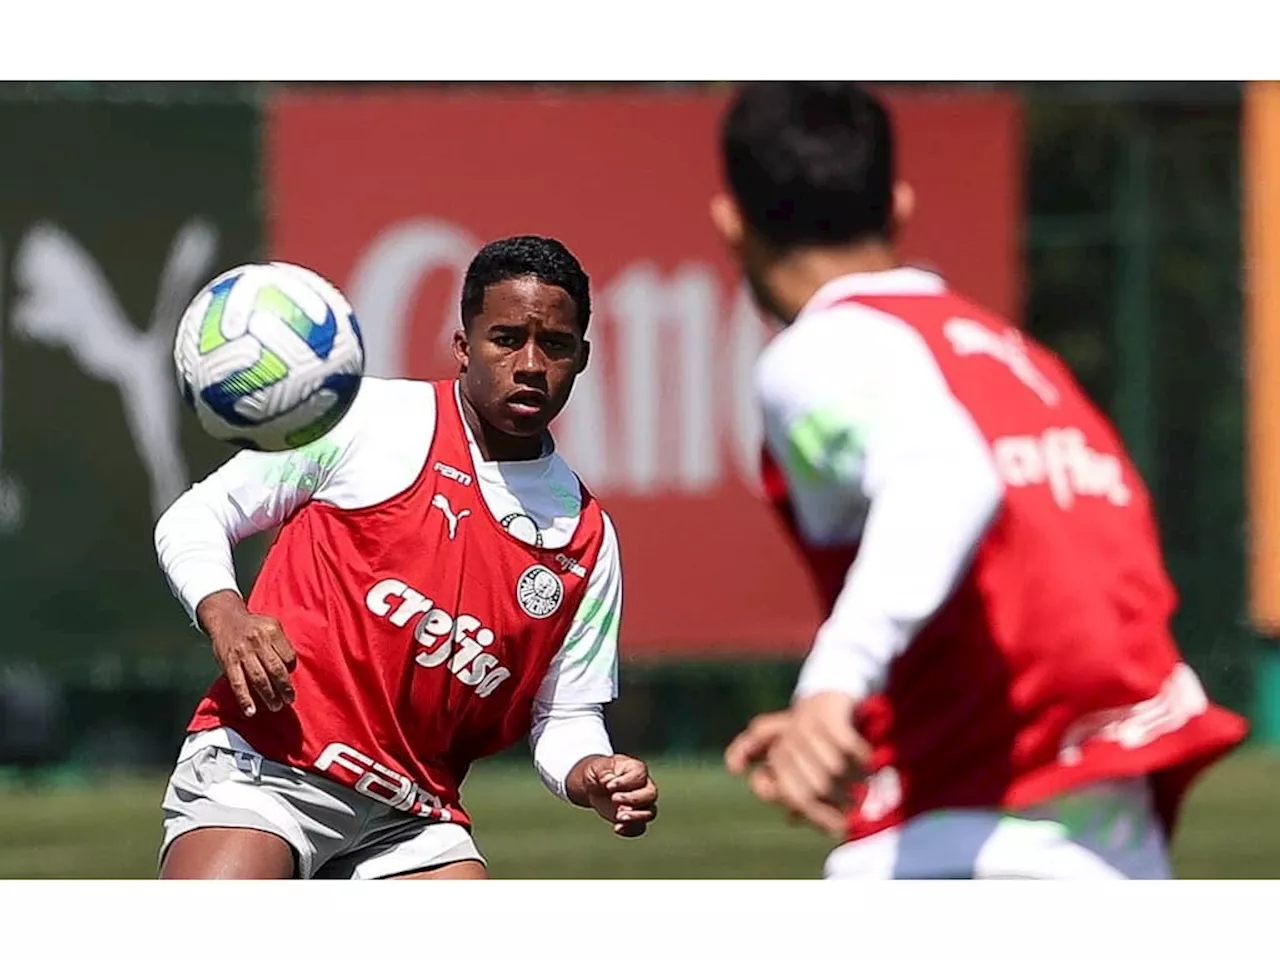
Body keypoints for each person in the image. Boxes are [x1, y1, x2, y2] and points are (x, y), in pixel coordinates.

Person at [715, 82, 1247, 879]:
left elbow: (947, 478)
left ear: (732, 225)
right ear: (899, 207)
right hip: (1114, 842)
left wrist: (832, 681)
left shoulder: (822, 351)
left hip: (970, 843)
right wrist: (844, 710)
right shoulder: (1015, 361)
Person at [153, 235, 658, 880]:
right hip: (268, 768)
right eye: (506, 339)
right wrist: (226, 614)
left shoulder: (587, 539)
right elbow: (196, 516)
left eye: (554, 345)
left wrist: (591, 773)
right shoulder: (368, 419)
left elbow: (565, 715)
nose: (531, 363)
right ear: (463, 346)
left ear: (581, 357)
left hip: (412, 817)